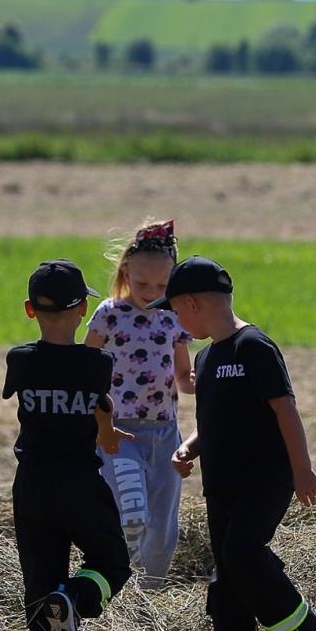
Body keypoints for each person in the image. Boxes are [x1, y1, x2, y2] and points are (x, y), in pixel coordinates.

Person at [150, 255, 316, 631]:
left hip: (266, 477)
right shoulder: (208, 358)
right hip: (222, 484)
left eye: (174, 311)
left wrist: (302, 469)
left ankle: (300, 628)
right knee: (227, 571)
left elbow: (285, 408)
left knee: (242, 552)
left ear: (192, 304)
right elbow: (215, 423)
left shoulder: (254, 347)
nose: (176, 323)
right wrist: (190, 448)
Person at [4, 259, 134, 631]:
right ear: (82, 311)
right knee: (112, 561)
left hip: (33, 483)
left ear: (29, 309)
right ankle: (75, 599)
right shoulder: (97, 365)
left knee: (41, 572)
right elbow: (102, 405)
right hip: (79, 480)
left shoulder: (19, 360)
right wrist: (109, 435)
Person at [84, 219, 195, 586]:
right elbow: (85, 366)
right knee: (131, 512)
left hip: (165, 435)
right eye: (142, 283)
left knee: (163, 526)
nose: (151, 291)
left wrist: (194, 383)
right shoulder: (108, 314)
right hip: (118, 434)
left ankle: (151, 593)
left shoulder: (173, 318)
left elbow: (181, 373)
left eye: (162, 285)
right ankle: (116, 580)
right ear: (125, 271)